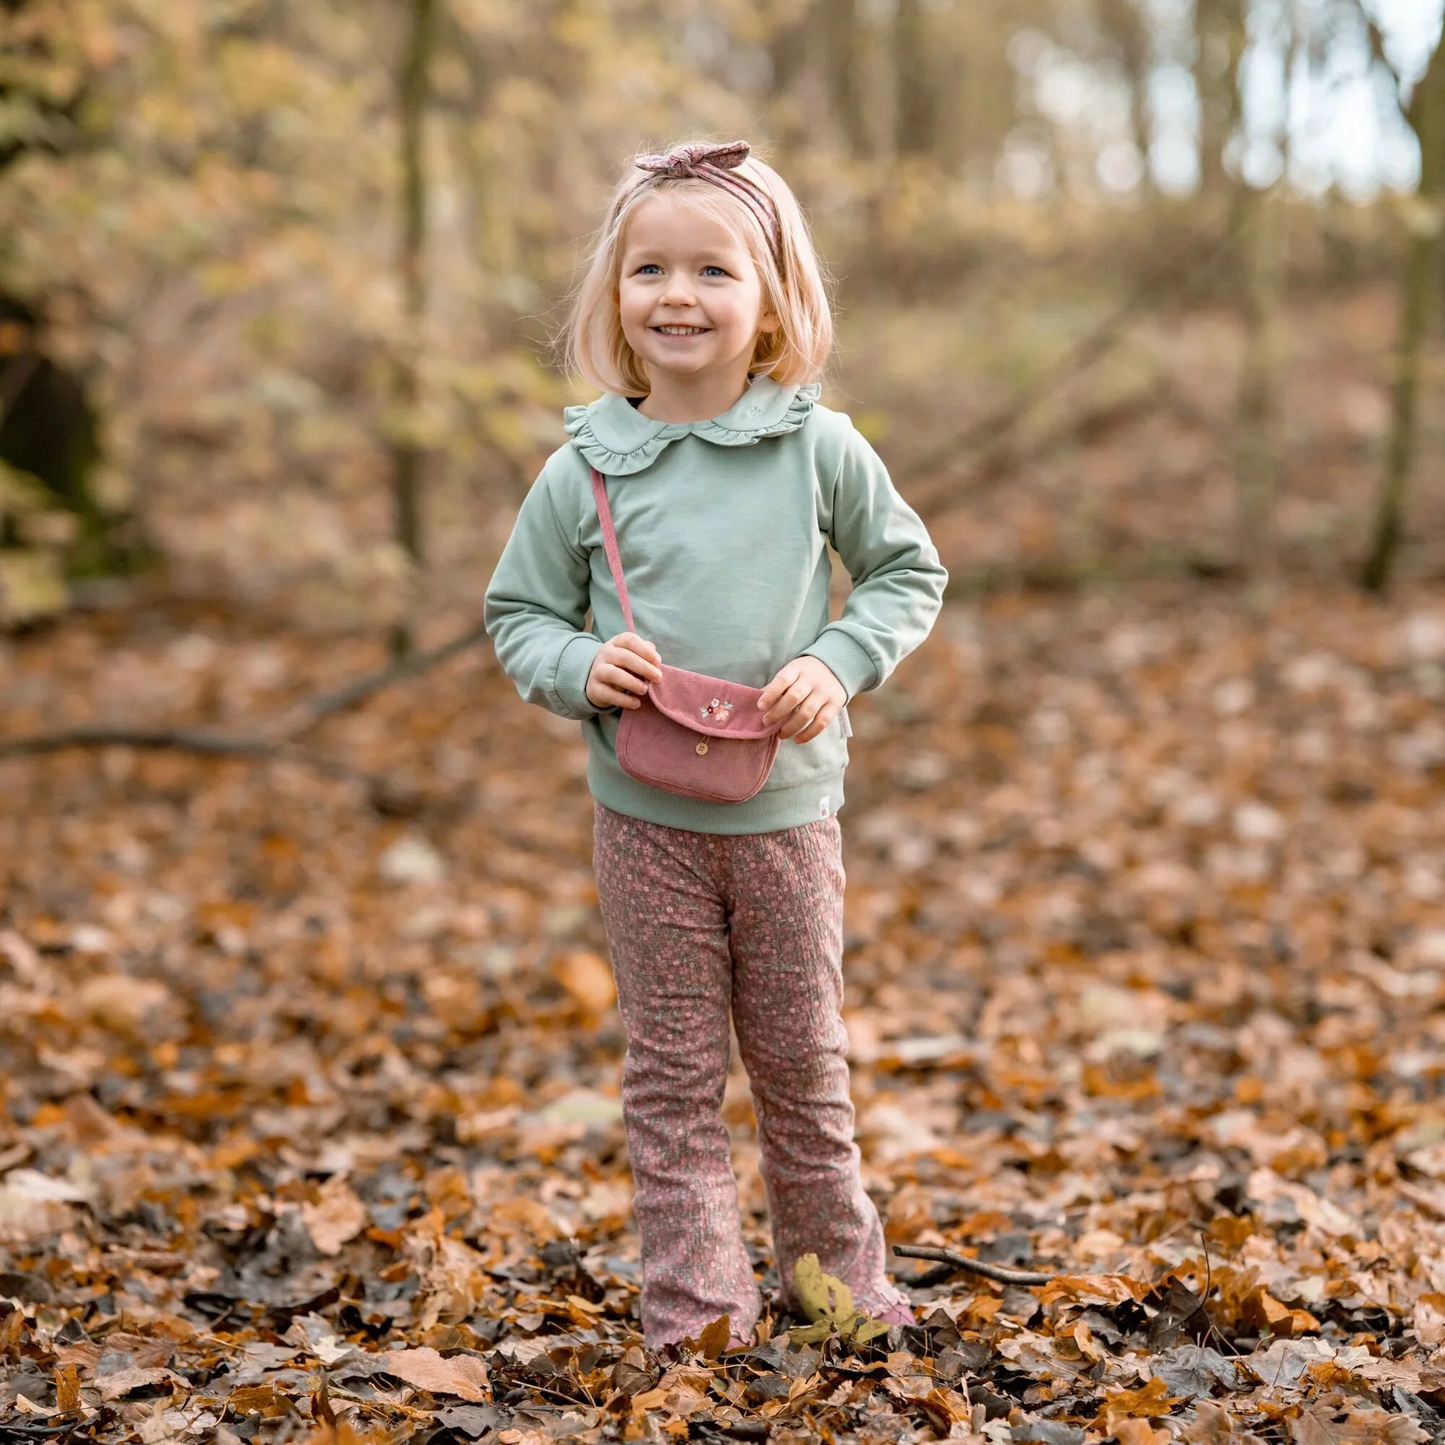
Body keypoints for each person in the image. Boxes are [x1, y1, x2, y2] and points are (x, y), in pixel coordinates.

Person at [484, 139, 947, 1349]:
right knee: (674, 1073)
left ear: (773, 299)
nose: (677, 295)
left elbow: (906, 571)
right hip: (644, 825)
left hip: (786, 813)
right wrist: (576, 666)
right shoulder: (583, 466)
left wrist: (833, 662)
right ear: (615, 300)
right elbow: (516, 613)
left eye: (711, 271)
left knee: (800, 1061)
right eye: (648, 270)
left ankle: (832, 1280)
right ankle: (697, 1306)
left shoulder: (817, 447)